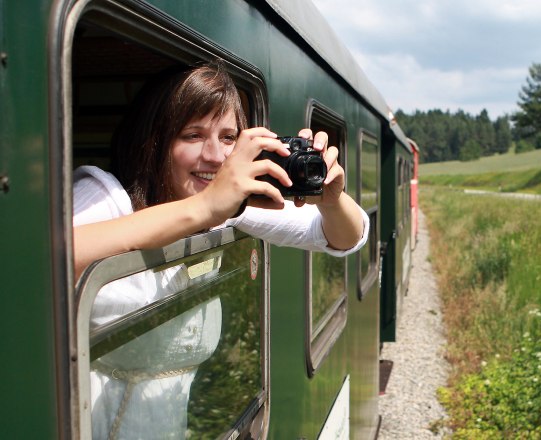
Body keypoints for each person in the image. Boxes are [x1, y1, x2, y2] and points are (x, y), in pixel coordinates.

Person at [73, 62, 368, 439]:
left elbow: (348, 235)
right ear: (155, 141)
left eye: (229, 138)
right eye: (193, 135)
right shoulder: (106, 195)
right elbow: (44, 257)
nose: (214, 156)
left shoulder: (225, 210)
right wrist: (207, 206)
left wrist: (330, 198)